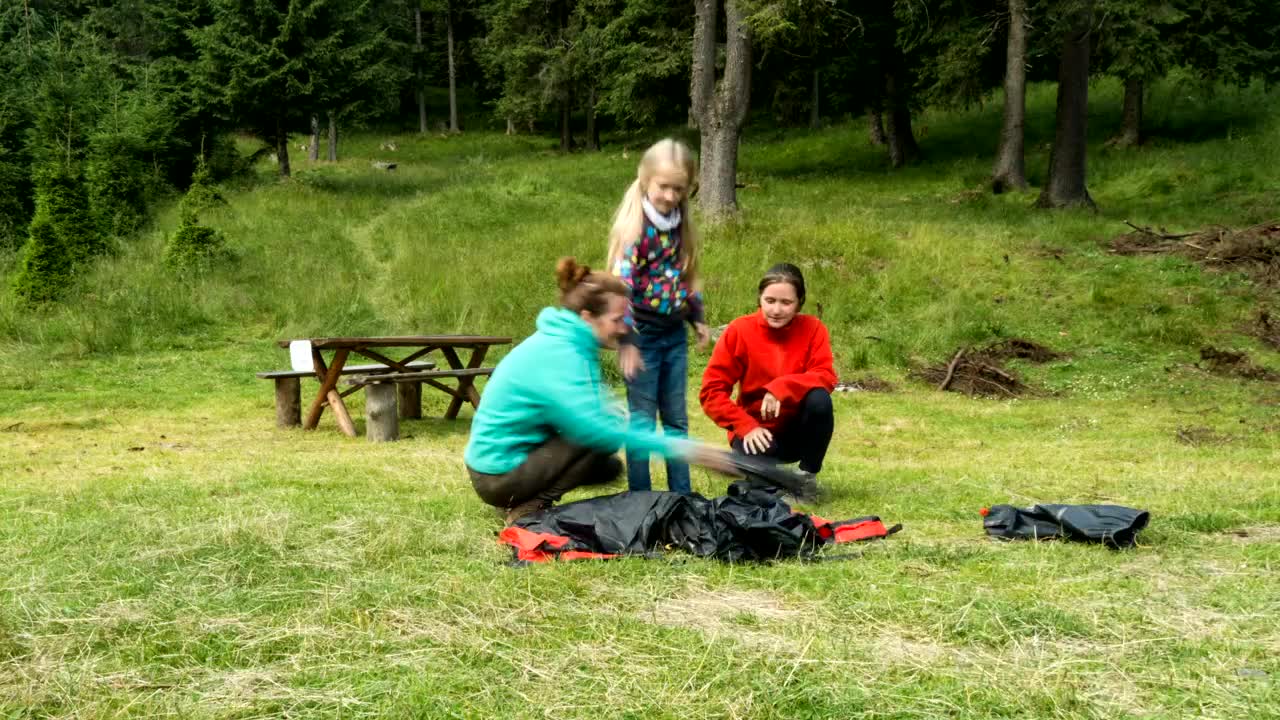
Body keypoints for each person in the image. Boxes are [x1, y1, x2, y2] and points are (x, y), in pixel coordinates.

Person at [465, 257, 727, 524]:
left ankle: (520, 496)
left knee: (607, 462)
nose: (626, 327)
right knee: (604, 439)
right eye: (618, 319)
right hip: (496, 476)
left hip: (503, 463)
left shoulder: (569, 341)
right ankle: (527, 504)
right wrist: (689, 450)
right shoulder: (562, 353)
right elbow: (597, 429)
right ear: (588, 317)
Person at [606, 138, 710, 494]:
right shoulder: (636, 231)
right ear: (646, 179)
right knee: (642, 425)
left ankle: (681, 497)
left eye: (678, 188)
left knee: (677, 421)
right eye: (663, 186)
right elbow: (622, 291)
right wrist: (628, 341)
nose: (669, 195)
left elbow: (687, 274)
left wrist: (697, 316)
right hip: (643, 336)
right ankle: (641, 498)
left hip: (673, 335)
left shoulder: (680, 226)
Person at [699, 263, 837, 478]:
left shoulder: (814, 328)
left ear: (799, 303)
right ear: (759, 299)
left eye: (786, 302)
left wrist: (780, 389)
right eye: (769, 301)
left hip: (796, 434)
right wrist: (746, 426)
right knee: (765, 489)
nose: (776, 310)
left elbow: (825, 375)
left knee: (820, 399)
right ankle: (751, 466)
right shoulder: (739, 330)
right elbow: (711, 392)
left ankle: (806, 477)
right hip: (755, 433)